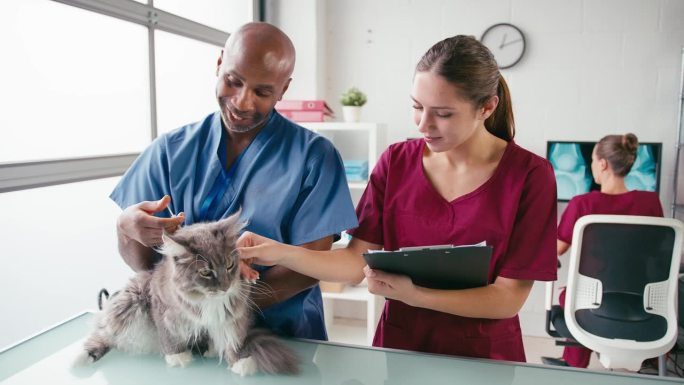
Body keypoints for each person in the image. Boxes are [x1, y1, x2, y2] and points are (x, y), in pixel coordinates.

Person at [237, 35, 558, 362]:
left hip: (484, 356)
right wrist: (278, 252)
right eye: (417, 107)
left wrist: (416, 296)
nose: (423, 124)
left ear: (487, 107)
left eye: (443, 114)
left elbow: (508, 299)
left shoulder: (531, 176)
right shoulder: (396, 162)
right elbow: (354, 263)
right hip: (401, 349)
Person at [110, 22, 358, 340]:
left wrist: (226, 311)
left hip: (282, 336)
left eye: (263, 92)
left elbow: (310, 266)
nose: (242, 102)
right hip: (186, 335)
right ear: (219, 64)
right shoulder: (170, 151)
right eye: (233, 81)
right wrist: (126, 229)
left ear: (283, 89)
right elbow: (146, 265)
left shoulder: (315, 157)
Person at [541, 133, 664, 368]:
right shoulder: (650, 202)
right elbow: (657, 251)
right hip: (642, 303)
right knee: (585, 296)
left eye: (592, 161)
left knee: (573, 296)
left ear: (603, 164)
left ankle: (574, 363)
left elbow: (555, 251)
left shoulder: (582, 204)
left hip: (591, 305)